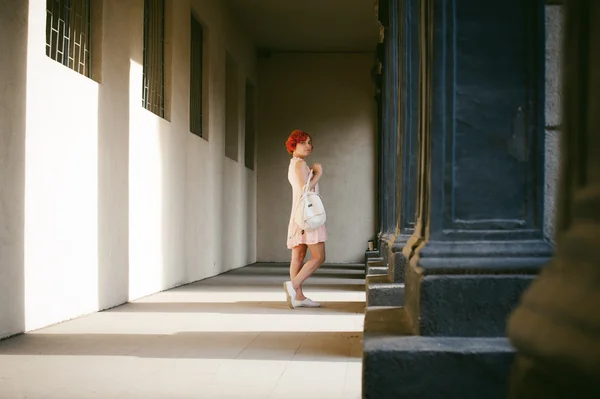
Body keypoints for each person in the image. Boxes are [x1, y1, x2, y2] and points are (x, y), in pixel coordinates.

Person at [283, 129, 327, 309]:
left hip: (298, 216)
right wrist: (318, 173)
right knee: (319, 256)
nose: (308, 146)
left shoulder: (294, 163)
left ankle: (298, 297)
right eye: (303, 142)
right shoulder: (300, 164)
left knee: (298, 257)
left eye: (309, 142)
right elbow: (305, 190)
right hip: (308, 217)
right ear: (294, 145)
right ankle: (293, 286)